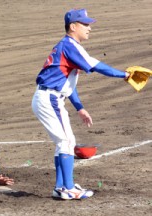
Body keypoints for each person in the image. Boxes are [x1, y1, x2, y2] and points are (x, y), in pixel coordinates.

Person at [31, 8, 129, 200]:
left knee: (66, 142)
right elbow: (96, 66)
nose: (89, 28)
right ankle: (67, 188)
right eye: (85, 24)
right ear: (73, 26)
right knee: (65, 142)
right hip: (49, 98)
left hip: (51, 97)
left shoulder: (67, 47)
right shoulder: (69, 45)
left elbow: (67, 84)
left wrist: (80, 108)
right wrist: (124, 74)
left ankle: (61, 187)